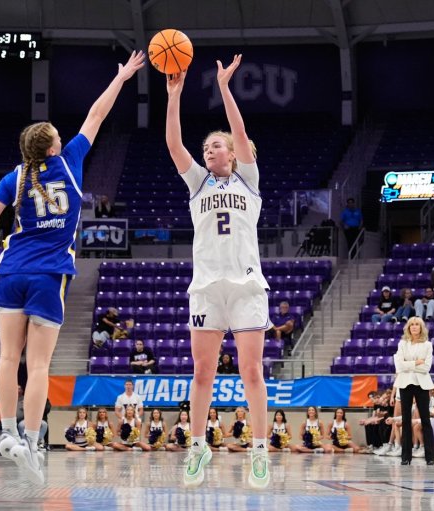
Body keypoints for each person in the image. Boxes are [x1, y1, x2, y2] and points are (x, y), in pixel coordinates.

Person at [0, 50, 145, 485]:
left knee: (9, 358)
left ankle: (6, 433)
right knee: (38, 366)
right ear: (54, 145)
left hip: (10, 270)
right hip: (48, 274)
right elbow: (97, 114)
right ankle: (34, 440)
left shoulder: (13, 178)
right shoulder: (71, 161)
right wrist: (121, 77)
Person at [165, 55, 270, 488]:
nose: (210, 150)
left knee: (251, 372)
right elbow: (174, 146)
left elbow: (241, 132)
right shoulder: (199, 184)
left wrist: (225, 88)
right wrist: (174, 98)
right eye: (206, 146)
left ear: (234, 153)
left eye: (216, 145)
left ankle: (260, 449)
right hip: (207, 287)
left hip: (246, 285)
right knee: (202, 372)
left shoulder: (248, 178)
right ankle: (197, 444)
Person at [393, 317, 434, 465]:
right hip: (405, 383)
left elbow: (426, 367)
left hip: (422, 384)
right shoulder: (402, 344)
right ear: (408, 328)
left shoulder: (428, 345)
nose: (415, 327)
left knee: (425, 419)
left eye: (417, 324)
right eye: (412, 325)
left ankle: (430, 457)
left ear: (421, 327)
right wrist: (416, 362)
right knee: (405, 419)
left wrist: (408, 364)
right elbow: (399, 365)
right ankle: (406, 457)